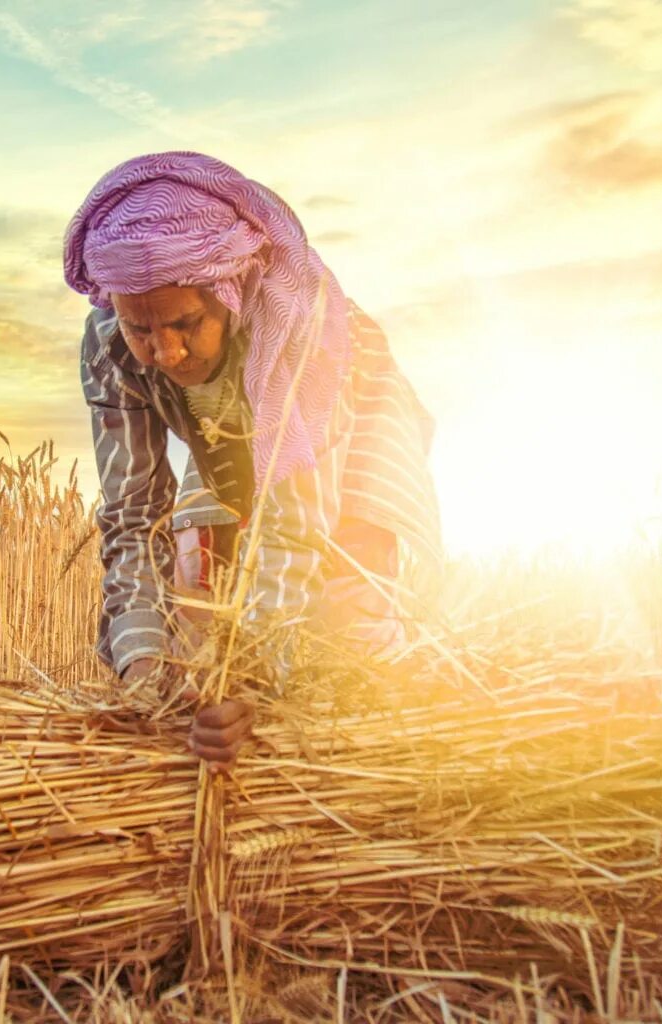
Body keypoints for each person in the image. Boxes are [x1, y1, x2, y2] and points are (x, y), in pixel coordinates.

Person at [63, 152, 443, 767]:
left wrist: (250, 684)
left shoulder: (299, 328)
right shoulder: (109, 342)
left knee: (348, 605)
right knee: (197, 585)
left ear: (228, 293)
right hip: (227, 428)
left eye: (185, 323)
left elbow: (294, 526)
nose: (164, 351)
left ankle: (374, 761)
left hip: (351, 412)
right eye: (142, 329)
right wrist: (145, 670)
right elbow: (133, 516)